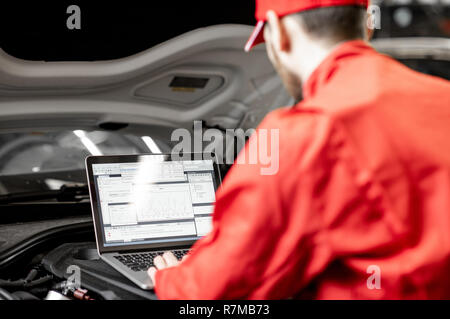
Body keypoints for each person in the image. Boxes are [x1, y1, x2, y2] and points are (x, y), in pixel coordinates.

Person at [147, 0, 450, 299]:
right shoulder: (442, 98)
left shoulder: (303, 134)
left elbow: (214, 290)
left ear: (278, 31)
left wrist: (172, 278)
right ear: (368, 25)